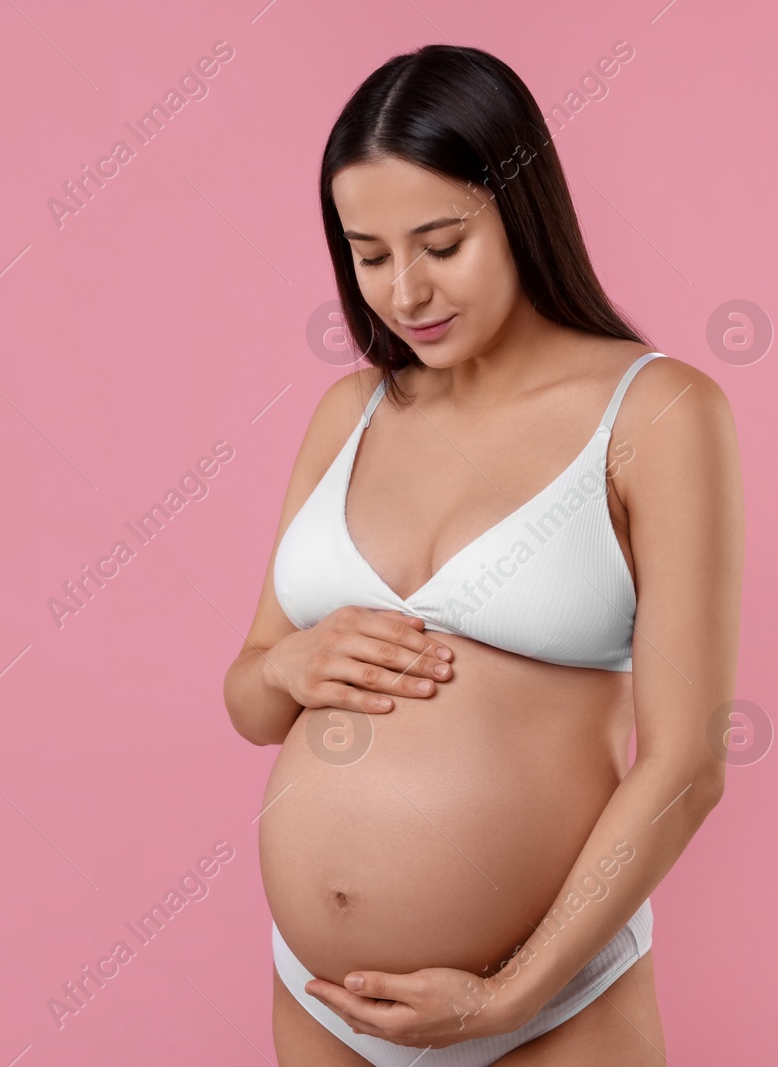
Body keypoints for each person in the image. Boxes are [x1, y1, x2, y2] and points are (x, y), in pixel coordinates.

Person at [221, 45, 743, 1065]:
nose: (406, 291)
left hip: (549, 1011)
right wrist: (285, 663)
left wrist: (508, 994)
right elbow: (250, 701)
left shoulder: (657, 413)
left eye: (441, 243)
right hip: (318, 1000)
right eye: (369, 256)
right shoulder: (351, 410)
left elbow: (685, 764)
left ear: (520, 208)